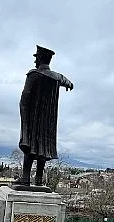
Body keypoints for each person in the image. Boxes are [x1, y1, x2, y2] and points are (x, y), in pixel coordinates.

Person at [13, 45, 74, 187]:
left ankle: (26, 178)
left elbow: (25, 98)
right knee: (43, 148)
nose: (35, 61)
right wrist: (69, 84)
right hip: (48, 123)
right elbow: (66, 81)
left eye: (36, 58)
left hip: (34, 119)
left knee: (30, 145)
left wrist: (24, 118)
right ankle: (39, 179)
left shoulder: (33, 75)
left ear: (40, 59)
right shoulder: (56, 77)